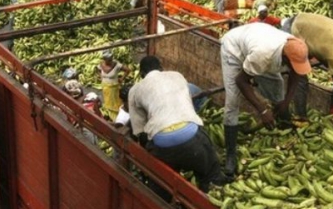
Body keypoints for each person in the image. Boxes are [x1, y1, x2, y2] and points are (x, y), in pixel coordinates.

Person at [221, 23, 311, 175]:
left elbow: (296, 75)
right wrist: (262, 109)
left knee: (277, 85)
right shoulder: (263, 55)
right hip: (234, 51)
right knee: (232, 102)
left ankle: (283, 123)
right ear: (285, 58)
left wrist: (285, 102)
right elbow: (241, 81)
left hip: (257, 42)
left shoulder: (296, 46)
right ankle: (231, 153)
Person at [128, 56, 228, 192]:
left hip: (162, 143)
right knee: (210, 173)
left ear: (142, 74)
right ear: (161, 68)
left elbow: (140, 132)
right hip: (192, 135)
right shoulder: (177, 76)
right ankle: (210, 198)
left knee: (160, 185)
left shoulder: (135, 90)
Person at [98, 51, 130, 121]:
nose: (110, 61)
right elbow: (98, 70)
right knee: (108, 103)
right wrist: (101, 77)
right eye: (108, 60)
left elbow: (127, 70)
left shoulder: (116, 64)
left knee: (116, 103)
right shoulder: (101, 64)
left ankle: (119, 118)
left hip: (114, 88)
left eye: (111, 59)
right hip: (105, 88)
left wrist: (122, 78)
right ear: (104, 59)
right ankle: (110, 116)